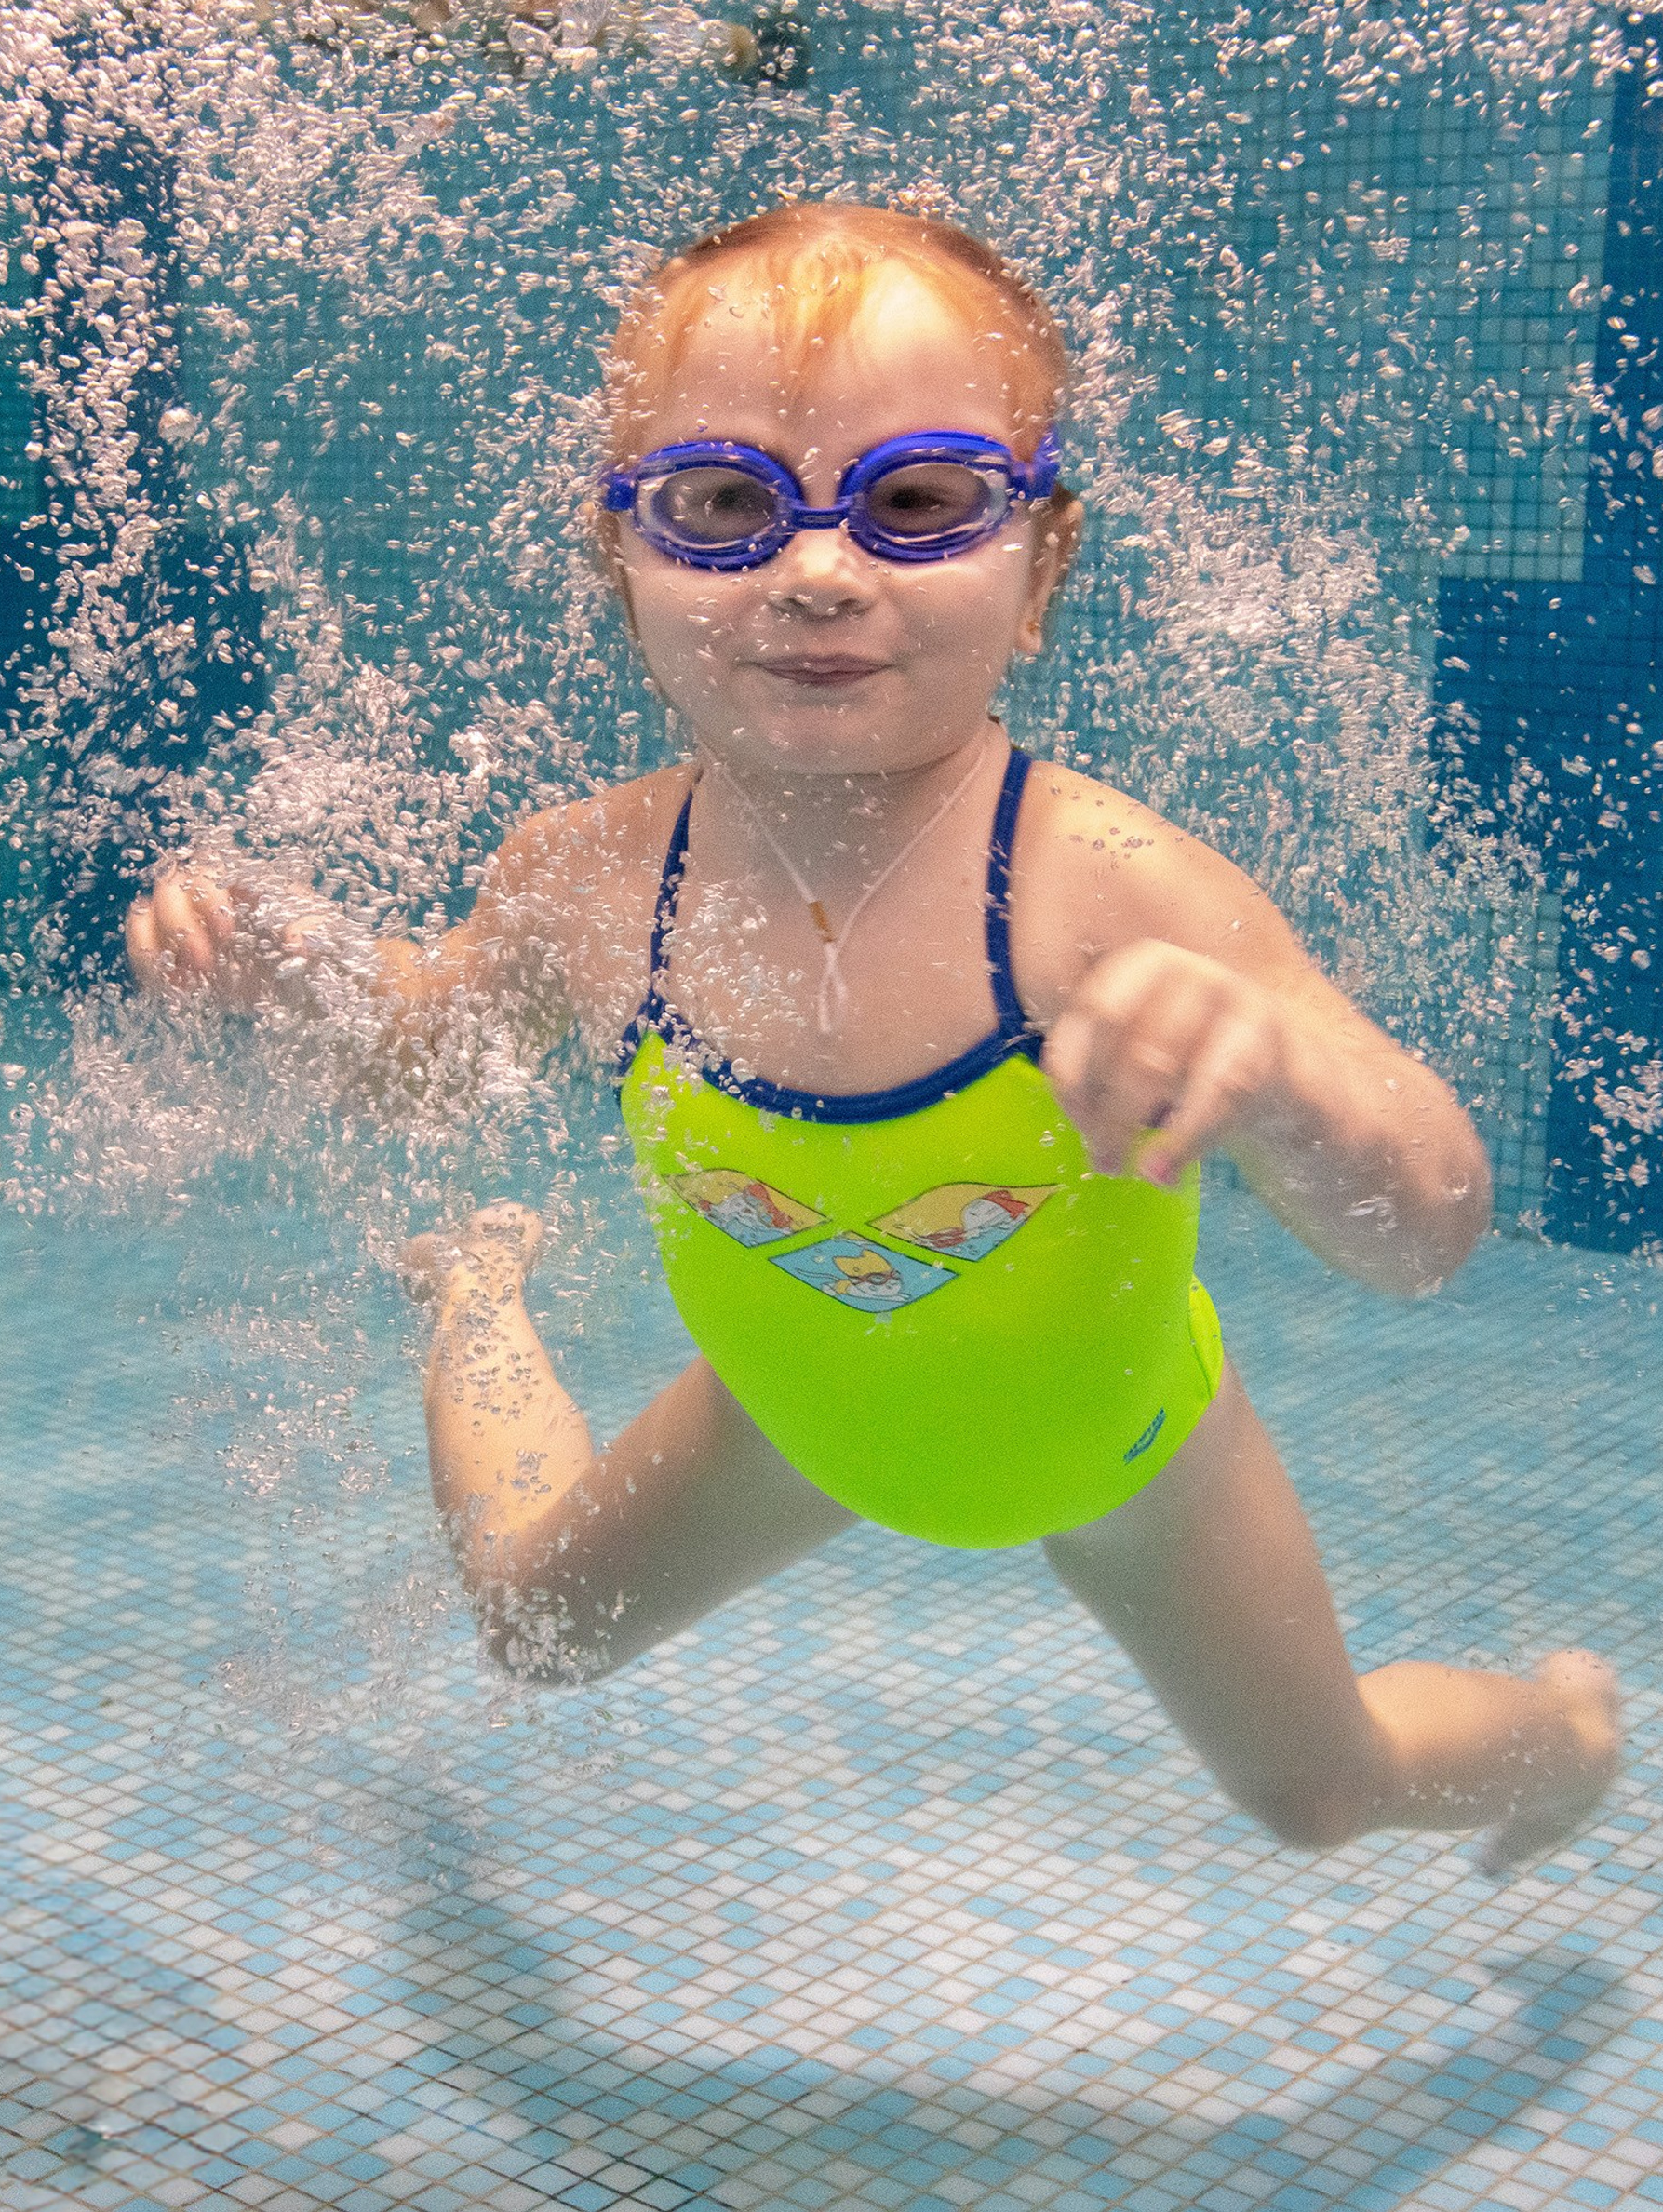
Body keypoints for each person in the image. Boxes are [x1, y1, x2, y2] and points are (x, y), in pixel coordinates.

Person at [127, 201, 1619, 1870]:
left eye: (917, 504)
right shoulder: (590, 884)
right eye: (722, 505)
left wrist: (1280, 1081)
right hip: (790, 1414)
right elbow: (418, 1067)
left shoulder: (1108, 894)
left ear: (1040, 571)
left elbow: (1429, 1233)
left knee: (1320, 1792)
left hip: (1122, 1447)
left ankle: (1563, 1738)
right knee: (535, 1629)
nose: (819, 571)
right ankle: (478, 1286)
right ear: (620, 567)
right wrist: (303, 967)